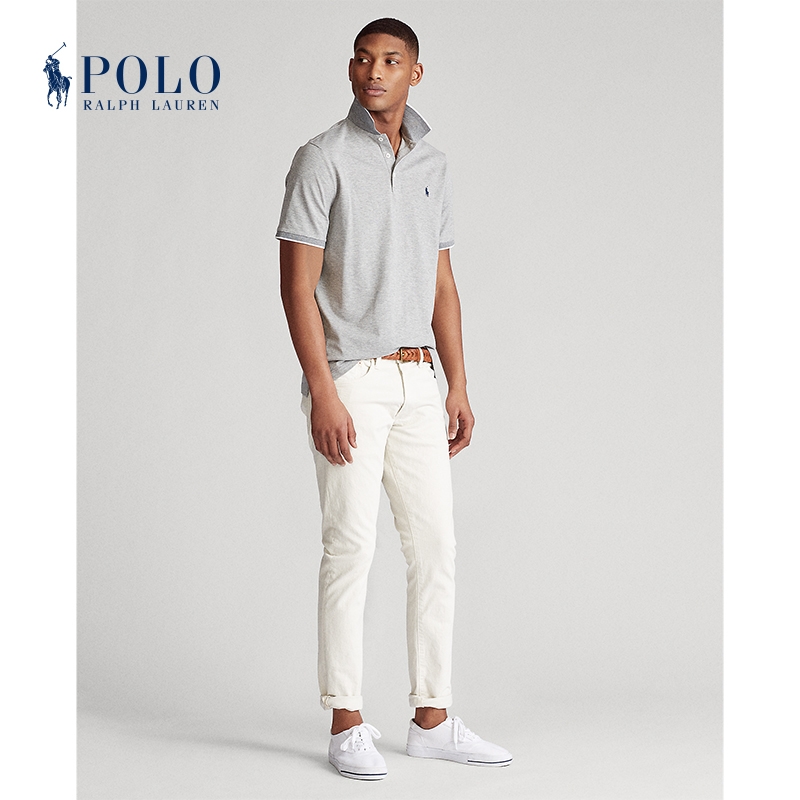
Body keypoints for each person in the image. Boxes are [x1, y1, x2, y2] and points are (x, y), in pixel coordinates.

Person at [276, 17, 512, 780]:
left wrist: (458, 382)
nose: (374, 71)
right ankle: (346, 721)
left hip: (419, 382)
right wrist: (322, 390)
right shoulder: (321, 158)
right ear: (351, 69)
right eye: (363, 59)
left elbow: (443, 283)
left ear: (416, 72)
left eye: (391, 60)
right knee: (350, 548)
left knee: (436, 548)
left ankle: (432, 719)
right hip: (350, 378)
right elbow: (296, 286)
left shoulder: (433, 164)